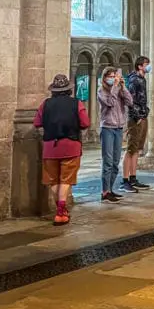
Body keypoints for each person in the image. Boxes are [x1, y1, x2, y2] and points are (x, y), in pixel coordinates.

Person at [34, 74, 90, 226]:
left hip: (50, 147)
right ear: (69, 90)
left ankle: (60, 210)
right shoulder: (76, 103)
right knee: (66, 179)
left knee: (53, 180)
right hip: (71, 146)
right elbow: (85, 123)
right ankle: (61, 211)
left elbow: (37, 122)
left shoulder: (45, 104)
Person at [97, 67, 133, 203]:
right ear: (105, 77)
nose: (113, 78)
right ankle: (104, 191)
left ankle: (110, 189)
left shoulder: (118, 89)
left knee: (115, 161)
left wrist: (123, 87)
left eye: (115, 76)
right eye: (110, 76)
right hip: (107, 127)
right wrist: (115, 87)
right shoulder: (101, 91)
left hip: (118, 128)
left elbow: (130, 102)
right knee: (108, 161)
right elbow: (110, 103)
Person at [122, 56, 151, 193]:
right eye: (146, 64)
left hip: (142, 116)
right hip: (135, 118)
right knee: (130, 148)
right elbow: (130, 99)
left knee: (138, 148)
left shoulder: (142, 79)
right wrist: (137, 116)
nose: (148, 66)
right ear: (140, 66)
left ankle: (133, 177)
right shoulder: (133, 79)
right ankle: (125, 180)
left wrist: (145, 113)